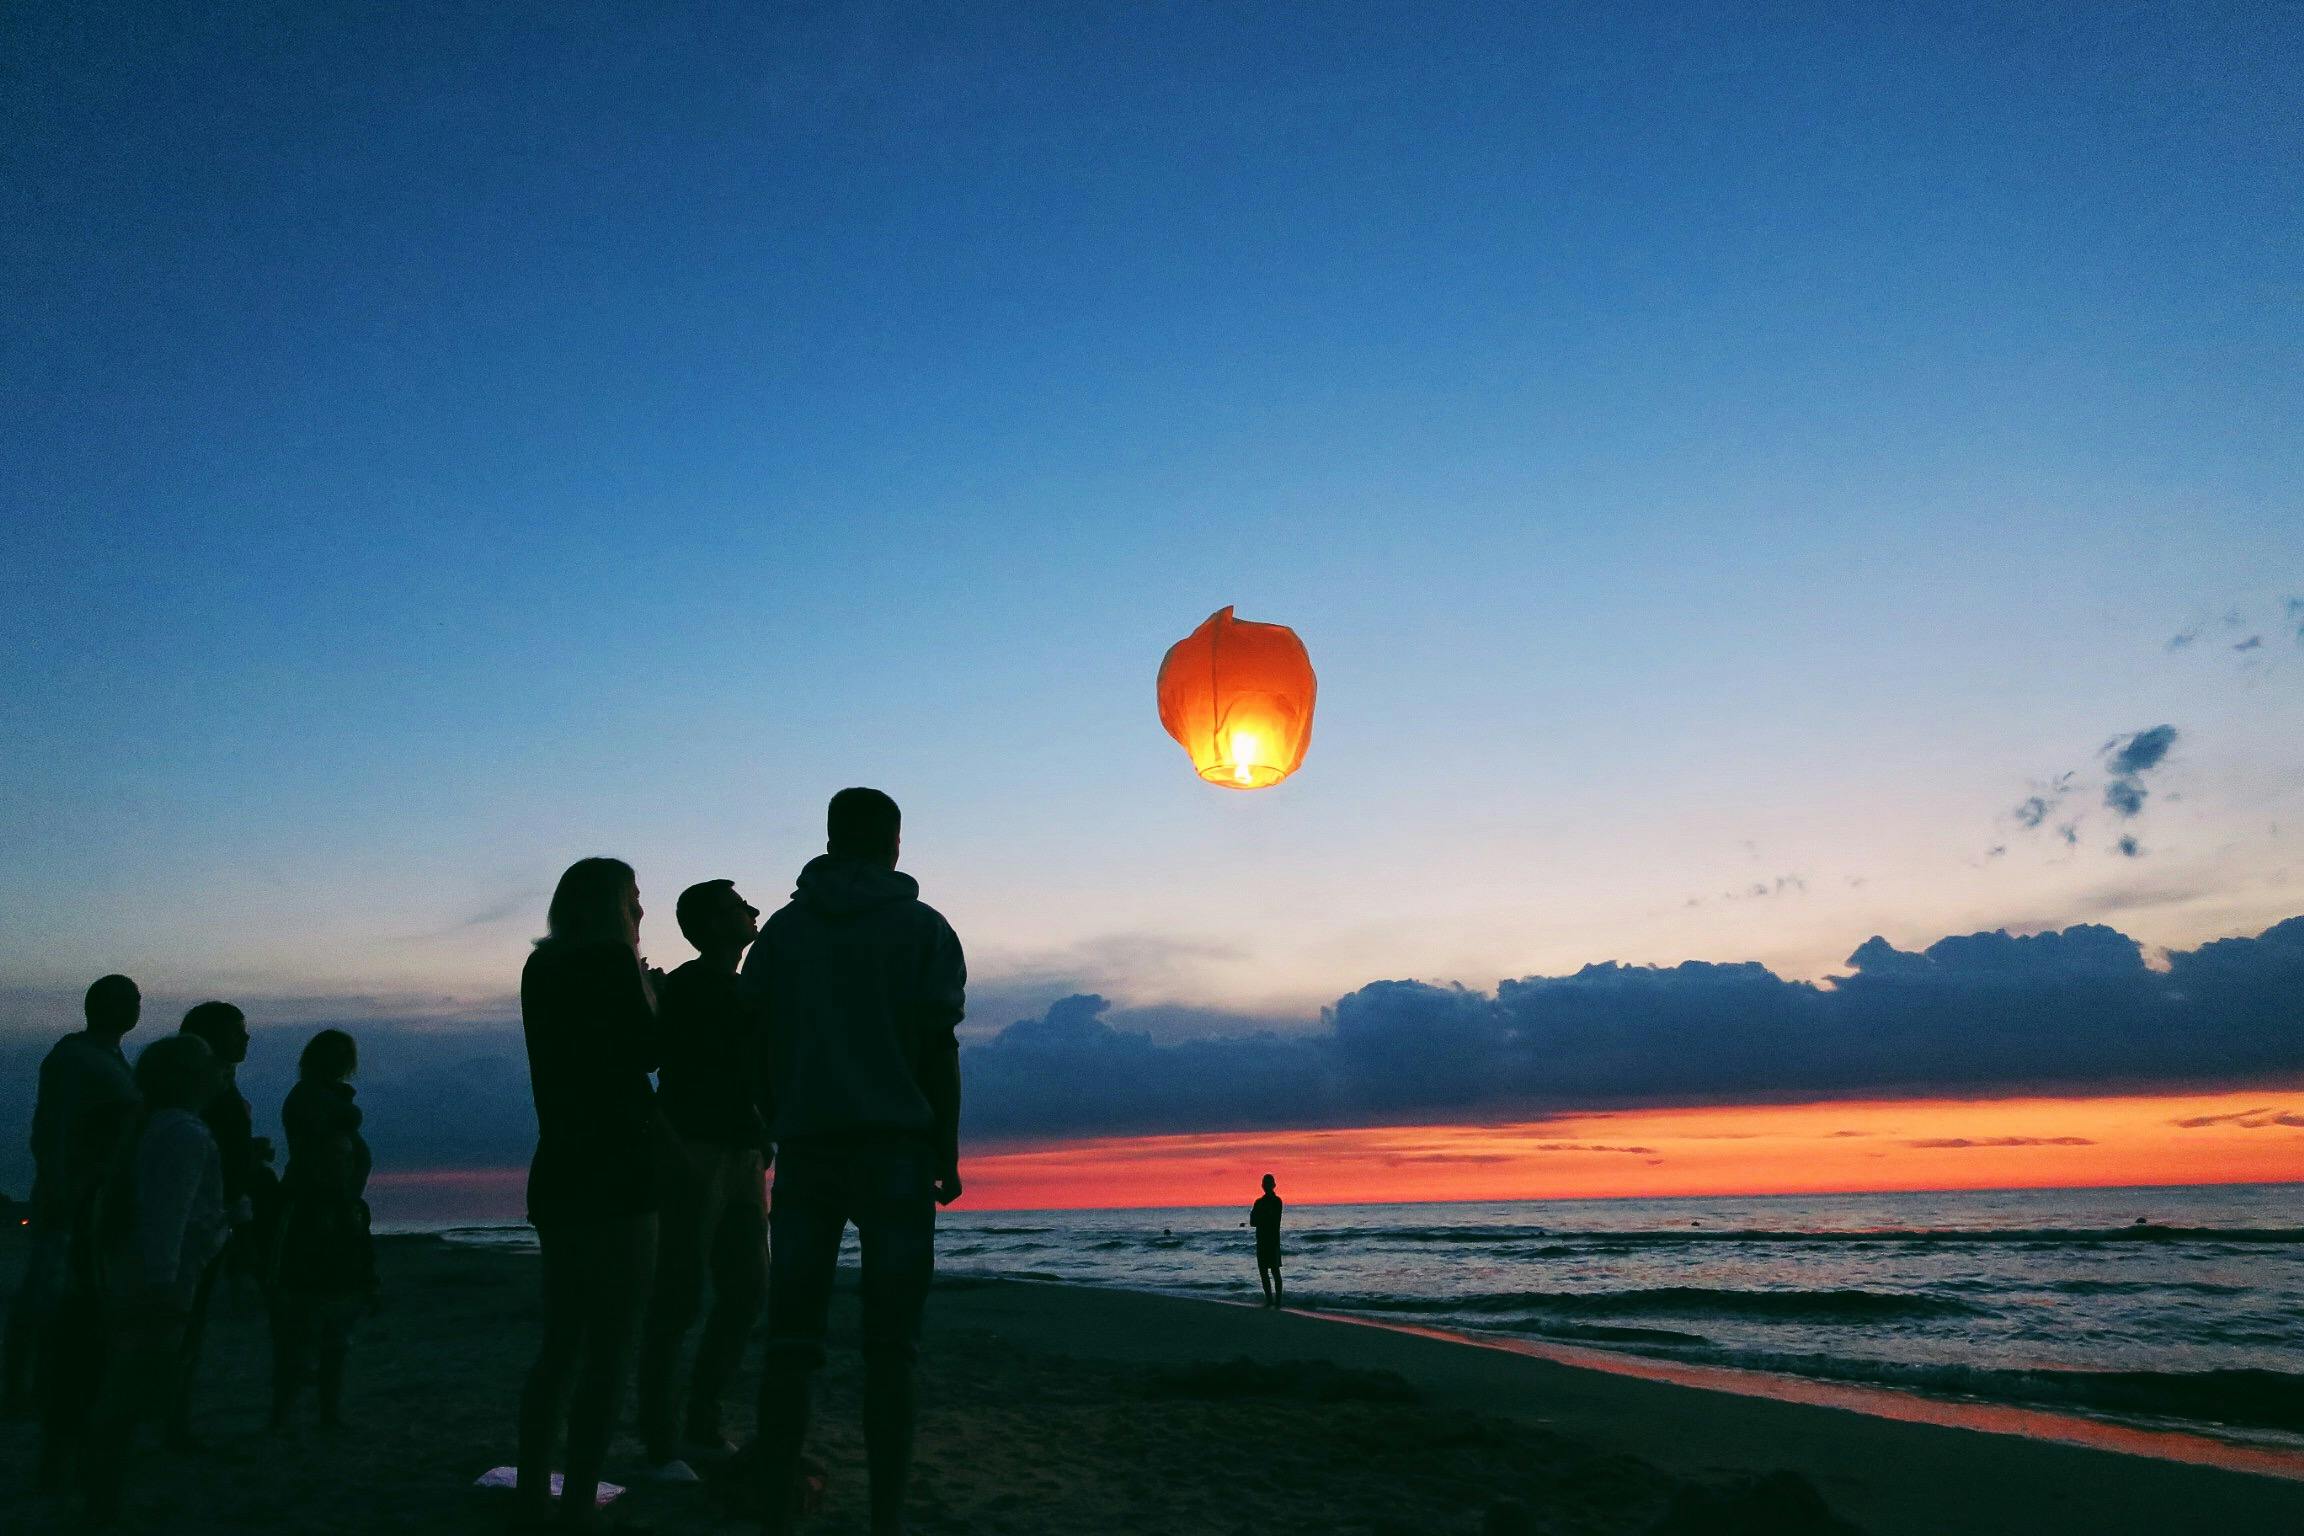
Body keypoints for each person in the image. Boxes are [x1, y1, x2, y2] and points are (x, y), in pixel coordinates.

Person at [744, 787, 966, 1536]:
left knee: (791, 1341)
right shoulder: (923, 930)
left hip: (807, 1149)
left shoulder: (781, 935)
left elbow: (754, 1044)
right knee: (891, 1349)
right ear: (894, 844)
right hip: (897, 1152)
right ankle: (885, 1520)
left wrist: (775, 1118)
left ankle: (774, 1511)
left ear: (834, 840)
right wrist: (948, 1148)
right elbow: (939, 1050)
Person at [516, 857, 663, 1531]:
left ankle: (531, 1489)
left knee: (559, 1343)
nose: (641, 912)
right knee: (610, 1345)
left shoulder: (540, 969)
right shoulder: (611, 962)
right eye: (634, 898)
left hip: (560, 1167)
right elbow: (644, 1052)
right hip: (619, 1167)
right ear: (610, 905)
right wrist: (649, 992)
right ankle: (576, 1498)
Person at [636, 879, 767, 1480]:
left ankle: (700, 1423)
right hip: (696, 1151)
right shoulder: (689, 986)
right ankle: (663, 1442)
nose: (754, 911)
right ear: (713, 924)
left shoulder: (749, 989)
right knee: (680, 1298)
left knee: (745, 1293)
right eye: (740, 906)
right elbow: (647, 1060)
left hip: (744, 1154)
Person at [80, 1033, 231, 1525]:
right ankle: (104, 1508)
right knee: (125, 1399)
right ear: (189, 1077)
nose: (218, 1070)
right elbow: (167, 1221)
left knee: (120, 1395)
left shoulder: (153, 1129)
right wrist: (165, 1291)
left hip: (133, 1278)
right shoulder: (184, 1133)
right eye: (208, 1062)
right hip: (157, 1286)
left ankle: (103, 1501)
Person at [6, 975, 142, 1418]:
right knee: (46, 1291)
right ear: (97, 1005)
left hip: (100, 1196)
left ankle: (46, 1382)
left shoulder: (111, 1058)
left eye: (136, 1000)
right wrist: (60, 1187)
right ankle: (18, 1386)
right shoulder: (74, 1058)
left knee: (76, 1292)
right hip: (74, 1195)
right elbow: (52, 1129)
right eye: (126, 1000)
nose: (135, 1007)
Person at [269, 1028, 375, 1433]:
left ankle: (326, 1413)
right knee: (302, 1316)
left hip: (340, 1210)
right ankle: (285, 1415)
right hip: (314, 1210)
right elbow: (316, 1154)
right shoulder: (307, 1099)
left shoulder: (329, 1098)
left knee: (336, 1316)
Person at [171, 1000, 257, 1450]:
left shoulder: (219, 1089)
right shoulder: (200, 1099)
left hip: (217, 1218)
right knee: (183, 1320)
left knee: (192, 1321)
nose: (246, 1037)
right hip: (196, 1224)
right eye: (237, 1030)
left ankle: (175, 1417)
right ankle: (172, 1421)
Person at [1248, 1175, 1284, 1308]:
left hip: (1272, 1241)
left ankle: (1278, 1301)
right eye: (1265, 1183)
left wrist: (1261, 1216)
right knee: (1264, 1272)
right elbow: (1253, 1222)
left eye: (1268, 1183)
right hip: (1263, 1241)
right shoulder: (1259, 1202)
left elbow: (1273, 1219)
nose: (1266, 1186)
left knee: (1274, 1271)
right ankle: (1270, 1300)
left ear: (1273, 1185)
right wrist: (1263, 1216)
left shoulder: (1277, 1201)